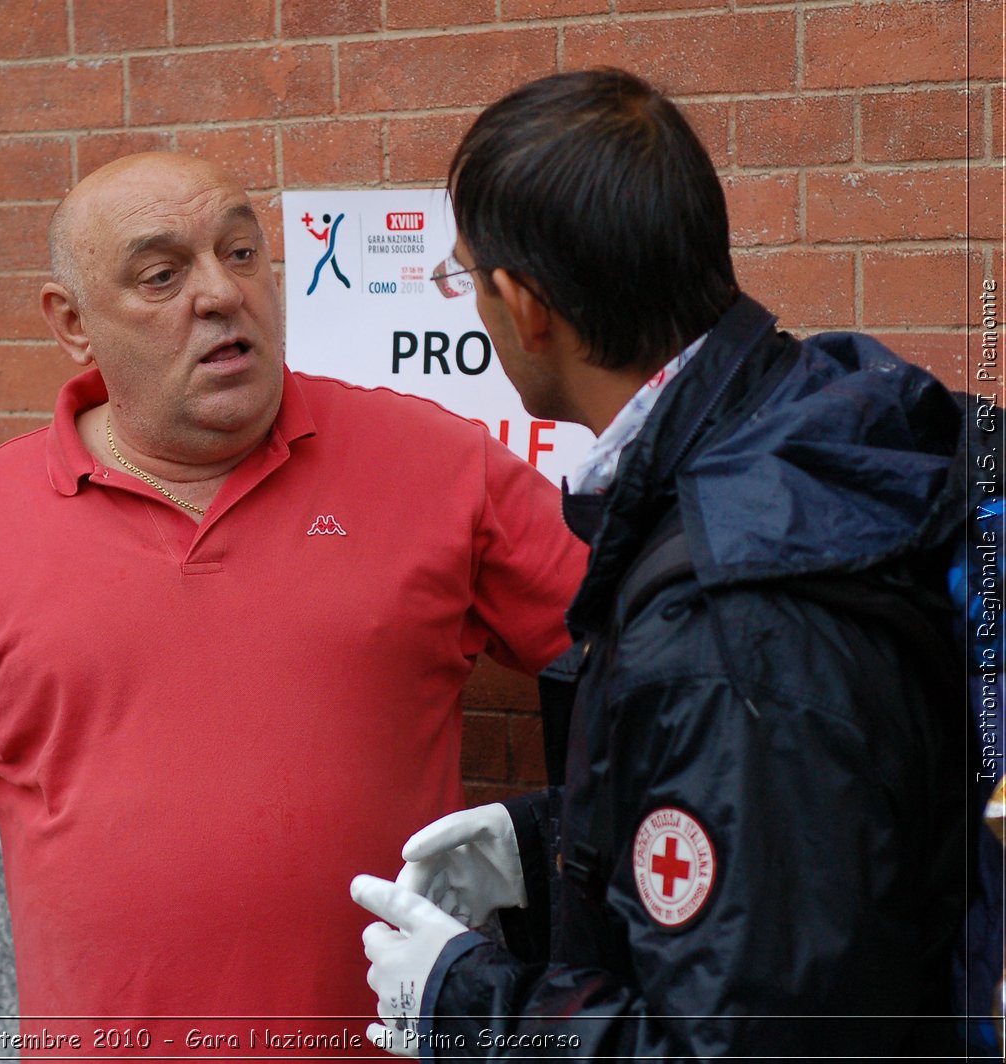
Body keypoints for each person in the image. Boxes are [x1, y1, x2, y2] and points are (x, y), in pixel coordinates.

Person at [0, 152, 588, 1056]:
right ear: (72, 324)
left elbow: (660, 651)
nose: (221, 294)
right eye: (163, 274)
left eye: (240, 253)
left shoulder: (435, 468)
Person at [350, 69, 968, 1058]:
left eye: (465, 276)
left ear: (525, 305)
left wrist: (466, 1003)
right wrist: (551, 845)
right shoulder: (792, 420)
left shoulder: (727, 613)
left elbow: (740, 1040)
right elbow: (793, 835)